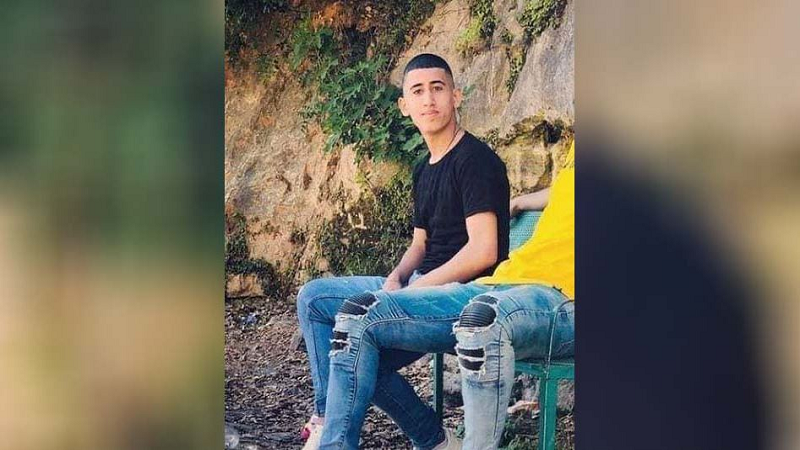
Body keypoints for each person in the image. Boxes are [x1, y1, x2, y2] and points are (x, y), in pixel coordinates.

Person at [296, 53, 510, 450]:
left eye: (438, 88)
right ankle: (338, 422)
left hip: (467, 298)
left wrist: (413, 290)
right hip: (422, 286)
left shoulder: (476, 161)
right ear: (404, 106)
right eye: (418, 91)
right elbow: (420, 244)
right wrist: (396, 279)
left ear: (456, 96)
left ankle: (339, 443)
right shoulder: (424, 168)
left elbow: (483, 252)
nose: (428, 99)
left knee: (358, 341)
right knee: (313, 298)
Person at [318, 142, 574, 450]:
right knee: (359, 315)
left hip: (561, 298)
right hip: (502, 282)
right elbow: (566, 190)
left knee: (481, 321)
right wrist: (519, 202)